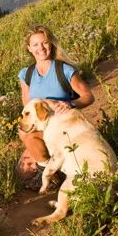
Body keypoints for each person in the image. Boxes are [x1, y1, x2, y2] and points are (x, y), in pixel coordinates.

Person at [16, 25, 94, 181]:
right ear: (29, 49)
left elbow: (88, 97)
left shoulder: (64, 70)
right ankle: (53, 171)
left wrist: (70, 104)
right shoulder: (26, 74)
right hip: (43, 129)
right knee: (23, 174)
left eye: (44, 43)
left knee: (27, 137)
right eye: (36, 45)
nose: (41, 48)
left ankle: (51, 172)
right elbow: (27, 108)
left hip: (65, 128)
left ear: (50, 44)